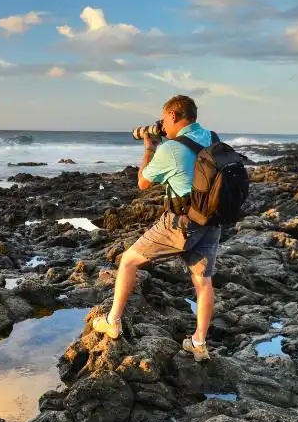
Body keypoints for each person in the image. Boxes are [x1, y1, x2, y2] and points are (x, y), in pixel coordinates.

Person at [92, 94, 221, 362]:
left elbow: (142, 182)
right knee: (203, 281)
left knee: (127, 261)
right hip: (210, 220)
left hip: (180, 224)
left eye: (164, 119)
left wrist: (150, 147)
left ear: (173, 115)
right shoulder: (213, 138)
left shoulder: (170, 149)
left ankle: (113, 322)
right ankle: (199, 343)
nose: (162, 124)